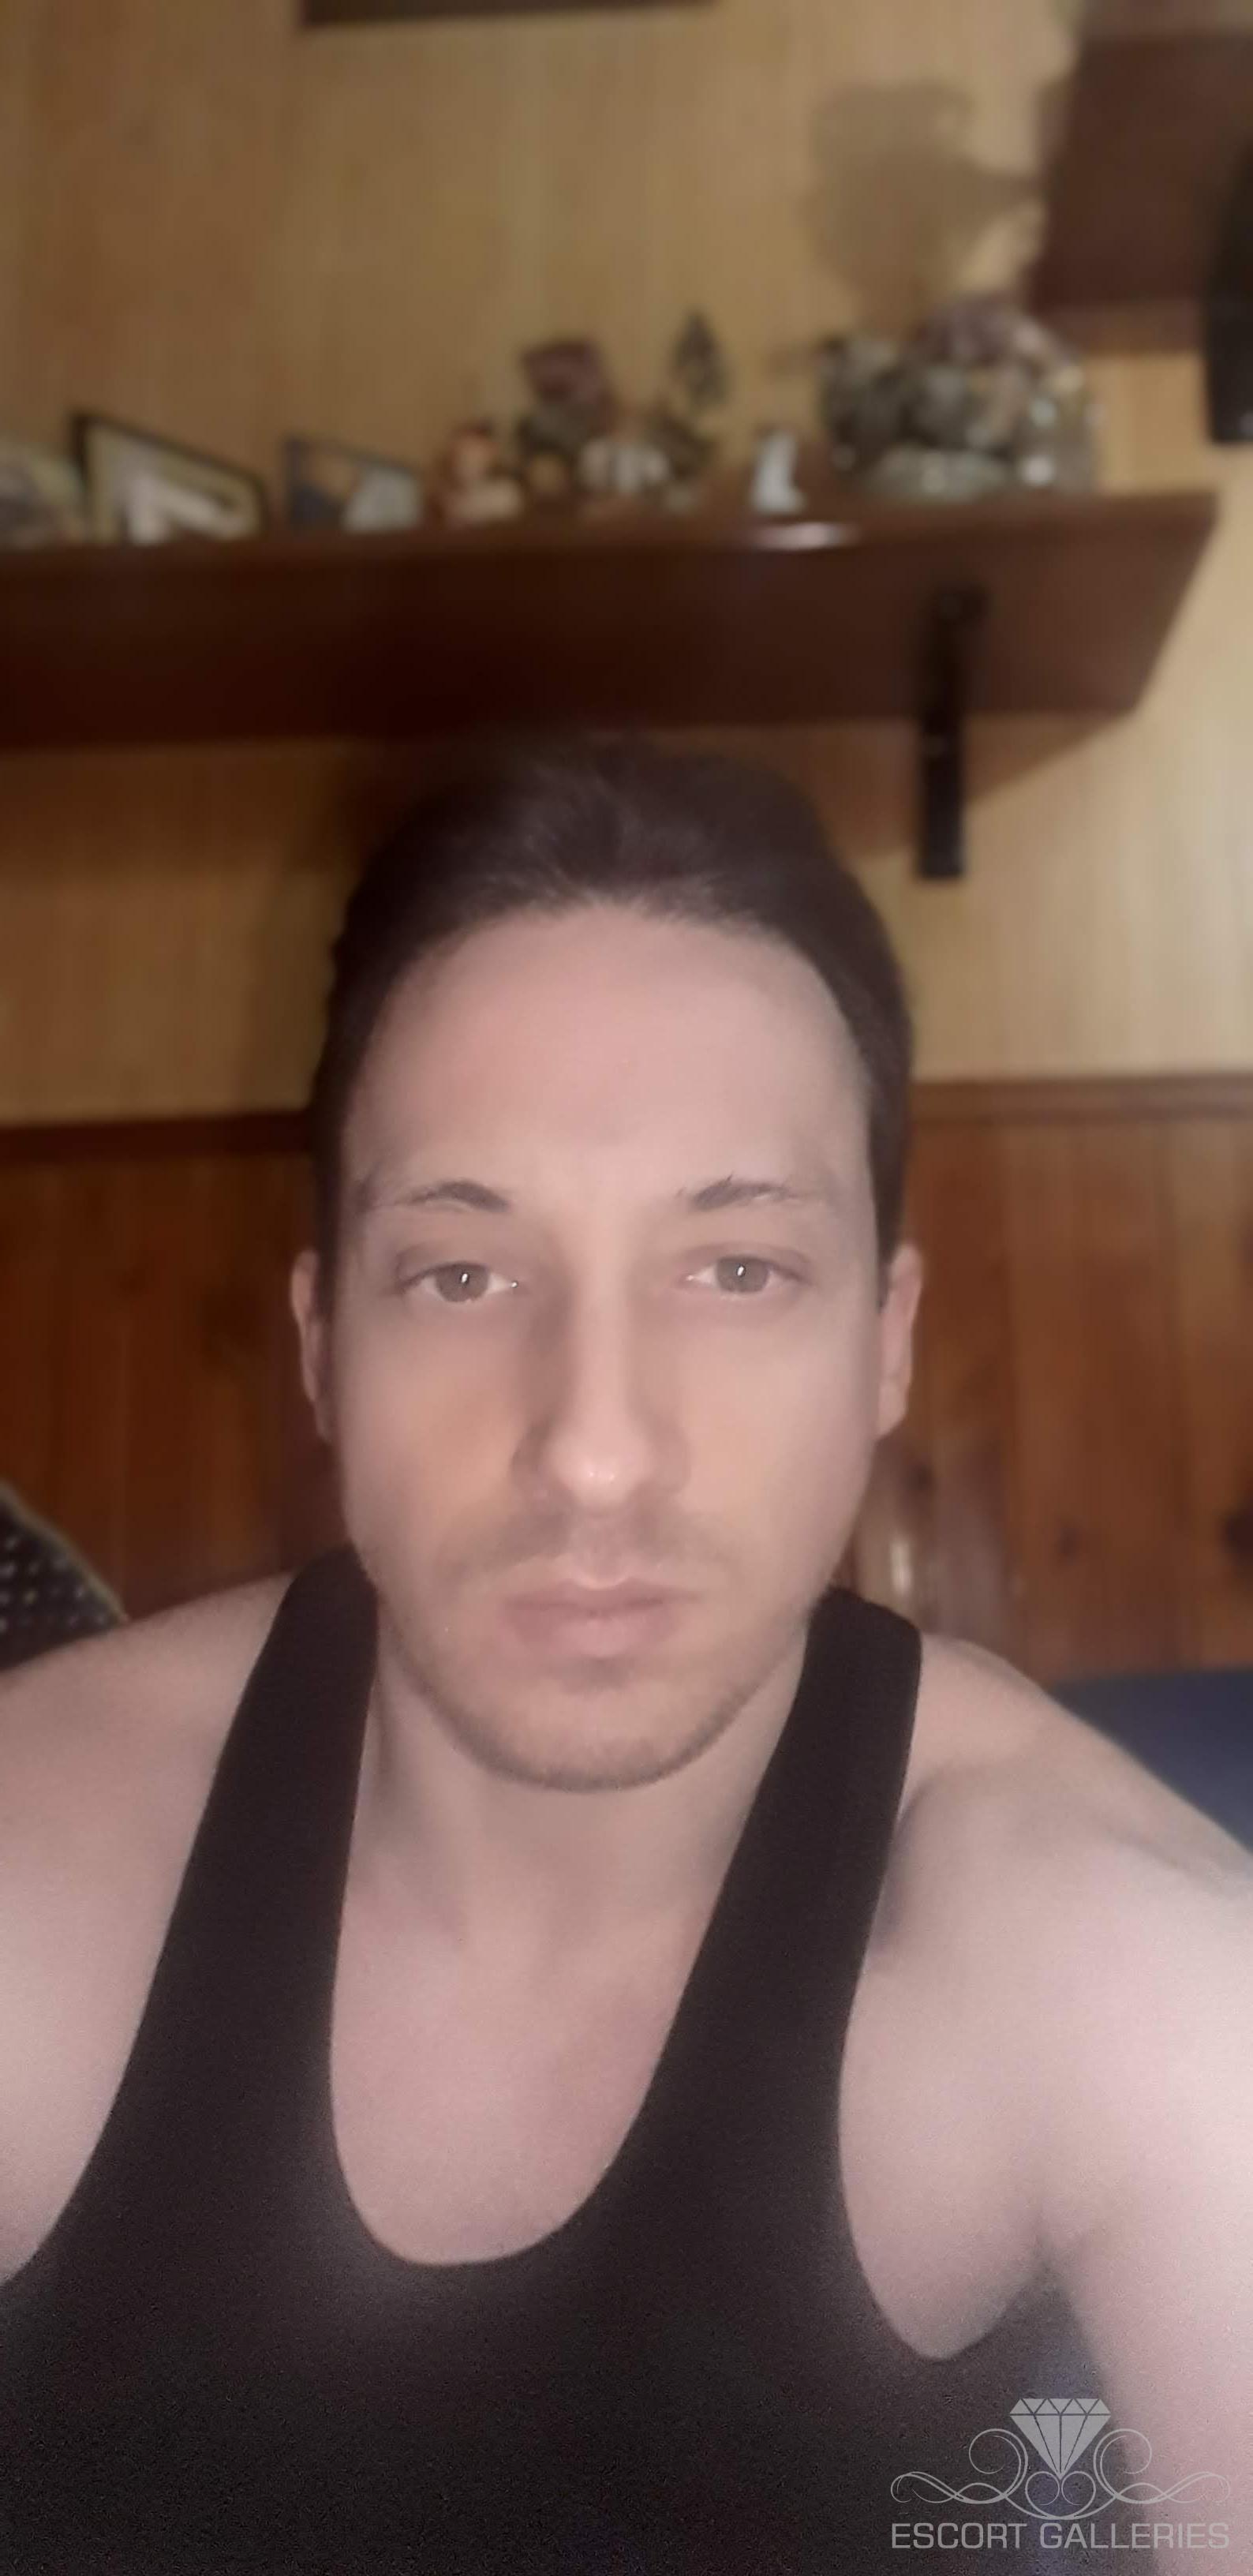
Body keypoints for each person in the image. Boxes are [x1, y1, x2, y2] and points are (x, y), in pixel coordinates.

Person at [0, 740, 1248, 2576]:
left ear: (885, 1342)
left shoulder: (1116, 1965)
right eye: (461, 1274)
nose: (591, 1451)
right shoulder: (36, 1875)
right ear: (325, 1346)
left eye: (734, 1270)